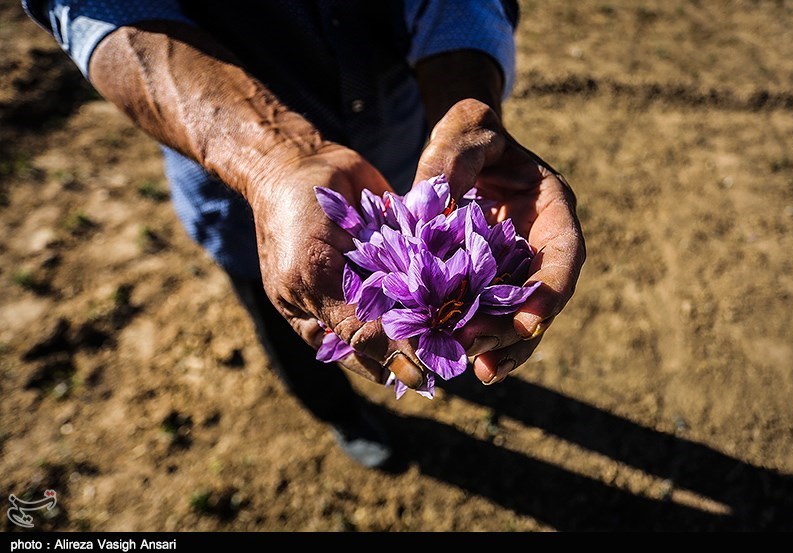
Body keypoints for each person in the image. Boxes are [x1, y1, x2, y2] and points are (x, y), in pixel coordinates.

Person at [21, 1, 586, 470]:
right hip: (246, 177)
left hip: (409, 148)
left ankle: (440, 362)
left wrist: (467, 105)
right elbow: (99, 7)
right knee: (299, 323)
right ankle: (342, 416)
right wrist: (272, 163)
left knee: (432, 343)